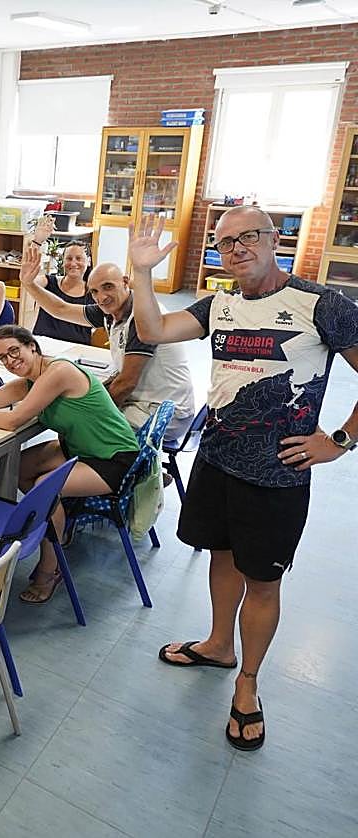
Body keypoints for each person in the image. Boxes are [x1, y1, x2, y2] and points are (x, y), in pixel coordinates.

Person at [128, 209, 358, 752]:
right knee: (222, 557)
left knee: (264, 581)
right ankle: (218, 644)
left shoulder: (322, 305)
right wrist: (140, 273)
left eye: (248, 236)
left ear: (275, 239)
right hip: (217, 461)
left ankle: (248, 683)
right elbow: (153, 330)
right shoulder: (219, 305)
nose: (237, 249)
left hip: (278, 477)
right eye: (226, 241)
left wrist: (339, 441)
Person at [0, 325, 140, 605]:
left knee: (44, 488)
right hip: (80, 448)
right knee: (19, 469)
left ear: (32, 346)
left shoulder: (59, 372)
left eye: (15, 350)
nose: (11, 360)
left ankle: (50, 569)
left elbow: (11, 420)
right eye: (3, 357)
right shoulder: (28, 382)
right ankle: (58, 523)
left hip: (112, 457)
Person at [18, 243, 197, 442]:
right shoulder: (110, 311)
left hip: (164, 412)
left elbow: (126, 383)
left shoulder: (142, 318)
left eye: (108, 287)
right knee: (75, 421)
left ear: (125, 282)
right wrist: (29, 284)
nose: (101, 297)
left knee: (76, 426)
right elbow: (61, 309)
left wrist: (87, 410)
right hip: (144, 401)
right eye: (94, 292)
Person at [28, 216, 93, 345]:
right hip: (44, 346)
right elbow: (28, 279)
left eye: (79, 258)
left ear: (89, 261)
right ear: (62, 262)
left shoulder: (94, 292)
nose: (73, 263)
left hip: (77, 351)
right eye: (69, 258)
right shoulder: (49, 282)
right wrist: (37, 241)